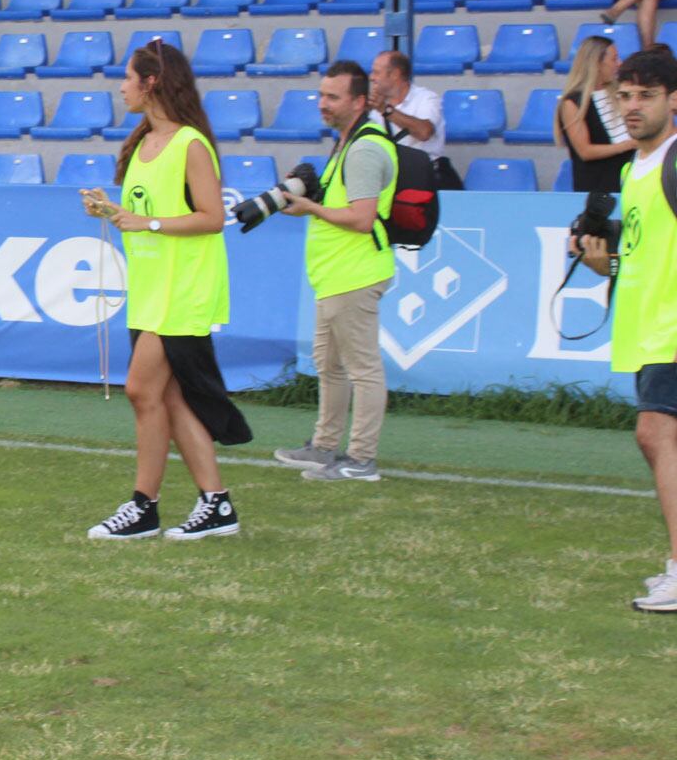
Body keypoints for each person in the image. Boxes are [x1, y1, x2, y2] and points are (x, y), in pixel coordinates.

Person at [80, 40, 249, 541]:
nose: (122, 86)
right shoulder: (142, 143)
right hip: (154, 288)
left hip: (185, 289)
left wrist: (144, 222)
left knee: (140, 389)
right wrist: (110, 212)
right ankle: (215, 505)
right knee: (170, 399)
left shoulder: (189, 144)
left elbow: (213, 219)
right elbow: (143, 217)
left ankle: (143, 506)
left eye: (128, 77)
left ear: (151, 82)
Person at [572, 50, 677, 612]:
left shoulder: (673, 162)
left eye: (646, 96)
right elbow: (634, 260)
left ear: (674, 100)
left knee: (654, 436)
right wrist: (598, 261)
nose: (632, 107)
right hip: (649, 329)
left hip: (671, 330)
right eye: (625, 96)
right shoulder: (630, 170)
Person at [272, 62, 397, 482]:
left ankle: (361, 458)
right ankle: (325, 448)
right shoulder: (350, 143)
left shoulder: (363, 148)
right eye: (322, 95)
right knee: (330, 364)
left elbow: (362, 218)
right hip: (336, 274)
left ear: (358, 101)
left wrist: (309, 208)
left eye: (333, 97)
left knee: (361, 367)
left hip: (354, 273)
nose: (322, 104)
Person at [557, 35, 637, 193]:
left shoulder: (620, 92)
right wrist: (628, 145)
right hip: (598, 186)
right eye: (614, 59)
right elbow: (585, 151)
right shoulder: (572, 103)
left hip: (629, 181)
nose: (619, 64)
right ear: (597, 63)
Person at [369, 49, 459, 189]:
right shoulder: (373, 109)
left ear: (395, 74)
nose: (371, 77)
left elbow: (424, 132)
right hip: (391, 181)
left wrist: (386, 110)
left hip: (426, 179)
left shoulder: (426, 98)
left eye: (376, 72)